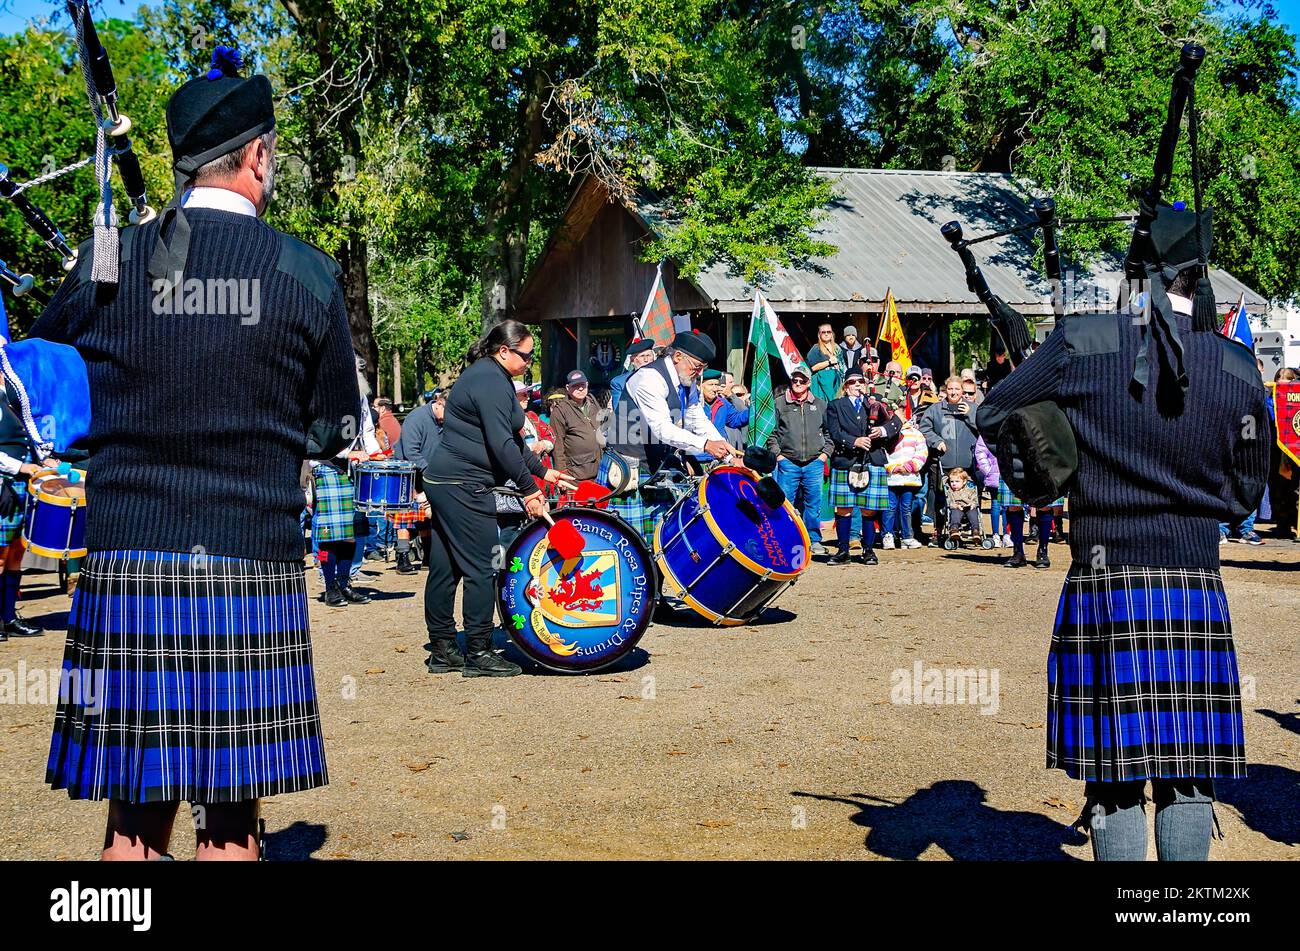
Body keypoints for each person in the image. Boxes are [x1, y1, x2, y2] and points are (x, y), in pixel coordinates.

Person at [38, 48, 358, 860]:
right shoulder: (307, 272)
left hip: (127, 563)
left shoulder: (108, 260)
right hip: (249, 563)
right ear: (257, 155)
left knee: (132, 832)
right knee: (229, 833)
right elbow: (333, 431)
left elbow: (40, 371)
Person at [977, 197, 1271, 861]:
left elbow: (994, 411)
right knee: (1187, 775)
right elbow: (1247, 491)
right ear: (1197, 277)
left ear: (1131, 269)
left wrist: (1055, 469)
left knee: (1112, 780)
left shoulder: (1081, 342)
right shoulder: (1237, 365)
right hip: (1194, 579)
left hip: (1105, 582)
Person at [422, 320, 575, 678]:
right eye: (526, 356)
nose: (529, 363)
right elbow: (500, 443)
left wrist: (543, 471)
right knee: (483, 568)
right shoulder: (490, 381)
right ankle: (479, 651)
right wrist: (529, 490)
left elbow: (512, 440)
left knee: (445, 566)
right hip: (463, 484)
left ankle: (443, 649)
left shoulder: (491, 376)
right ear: (504, 351)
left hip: (444, 479)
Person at [601, 330, 731, 539]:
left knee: (662, 538)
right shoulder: (648, 378)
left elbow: (697, 419)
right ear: (678, 356)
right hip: (628, 466)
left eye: (701, 369)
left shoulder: (687, 382)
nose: (698, 373)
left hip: (656, 465)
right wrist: (706, 445)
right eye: (696, 367)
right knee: (628, 542)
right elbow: (662, 429)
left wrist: (727, 451)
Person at [310, 355, 381, 604]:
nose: (358, 373)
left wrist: (376, 455)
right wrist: (347, 453)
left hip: (355, 470)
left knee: (352, 532)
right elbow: (315, 437)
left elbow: (367, 431)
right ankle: (329, 587)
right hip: (329, 467)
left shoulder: (360, 396)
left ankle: (344, 584)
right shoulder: (324, 395)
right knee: (331, 534)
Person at [0, 370, 64, 640]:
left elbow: (28, 437)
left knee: (16, 553)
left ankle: (8, 618)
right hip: (5, 482)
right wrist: (21, 466)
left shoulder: (16, 397)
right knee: (0, 555)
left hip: (22, 485)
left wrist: (44, 461)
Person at [824, 368, 901, 565]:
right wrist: (854, 441)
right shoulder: (835, 405)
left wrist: (882, 430)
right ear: (845, 386)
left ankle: (868, 551)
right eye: (852, 382)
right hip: (845, 461)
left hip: (872, 459)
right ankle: (843, 551)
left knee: (869, 509)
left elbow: (896, 422)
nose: (857, 385)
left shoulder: (874, 404)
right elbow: (833, 432)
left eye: (860, 381)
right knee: (844, 509)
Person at [766, 366, 833, 556]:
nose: (797, 384)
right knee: (785, 504)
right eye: (795, 380)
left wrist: (824, 455)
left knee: (814, 504)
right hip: (788, 462)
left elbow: (829, 433)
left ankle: (813, 540)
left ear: (808, 383)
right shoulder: (779, 404)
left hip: (814, 462)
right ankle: (785, 540)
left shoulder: (820, 405)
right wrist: (779, 455)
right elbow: (772, 433)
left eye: (802, 381)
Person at [918, 376, 979, 545]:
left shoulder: (973, 408)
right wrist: (936, 441)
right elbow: (924, 428)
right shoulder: (936, 409)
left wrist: (970, 414)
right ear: (945, 390)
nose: (954, 392)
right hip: (942, 463)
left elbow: (983, 427)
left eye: (957, 389)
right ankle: (938, 531)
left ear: (962, 391)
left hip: (967, 463)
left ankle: (969, 528)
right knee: (940, 497)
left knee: (969, 499)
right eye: (950, 389)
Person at [390, 388, 446, 574]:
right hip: (407, 472)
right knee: (404, 517)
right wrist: (431, 471)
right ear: (438, 402)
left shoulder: (446, 421)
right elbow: (410, 451)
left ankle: (428, 556)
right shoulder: (417, 418)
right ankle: (403, 557)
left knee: (426, 518)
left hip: (429, 473)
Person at [549, 369, 603, 481]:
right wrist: (562, 475)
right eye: (575, 386)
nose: (580, 388)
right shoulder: (560, 410)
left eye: (582, 385)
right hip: (577, 474)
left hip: (600, 470)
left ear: (587, 385)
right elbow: (558, 445)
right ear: (568, 388)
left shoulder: (593, 403)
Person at [882, 415, 927, 550]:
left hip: (909, 478)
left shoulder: (916, 434)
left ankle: (907, 536)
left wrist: (909, 467)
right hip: (891, 478)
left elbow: (922, 452)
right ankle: (887, 535)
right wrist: (892, 467)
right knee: (890, 507)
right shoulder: (887, 432)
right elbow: (882, 453)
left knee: (906, 507)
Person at [608, 337, 656, 411]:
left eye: (648, 355)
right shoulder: (620, 382)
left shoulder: (663, 377)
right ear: (632, 361)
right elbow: (621, 412)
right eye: (642, 356)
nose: (646, 360)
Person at [705, 369, 750, 443]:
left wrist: (754, 411)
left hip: (720, 449)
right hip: (698, 450)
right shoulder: (693, 404)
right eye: (711, 385)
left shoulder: (722, 403)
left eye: (716, 385)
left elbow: (735, 419)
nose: (715, 389)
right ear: (699, 385)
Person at [805, 323, 845, 405]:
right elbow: (812, 368)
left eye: (828, 332)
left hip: (836, 382)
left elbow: (842, 367)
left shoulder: (837, 348)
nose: (826, 334)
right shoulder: (816, 348)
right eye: (823, 332)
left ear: (832, 333)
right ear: (819, 334)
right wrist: (829, 362)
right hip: (822, 384)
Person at [941, 466, 982, 545]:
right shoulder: (950, 491)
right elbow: (949, 502)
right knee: (955, 513)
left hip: (968, 508)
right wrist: (955, 505)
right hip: (957, 508)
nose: (954, 484)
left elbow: (975, 500)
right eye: (952, 481)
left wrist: (972, 504)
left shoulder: (970, 490)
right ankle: (954, 529)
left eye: (957, 481)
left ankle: (975, 531)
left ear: (964, 482)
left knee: (973, 513)